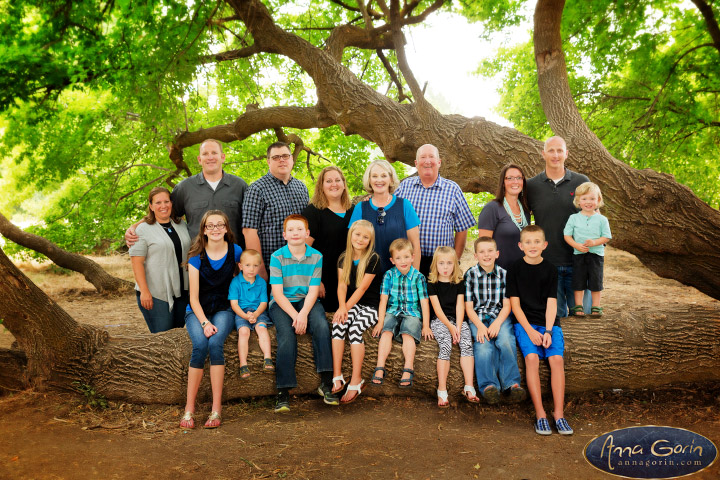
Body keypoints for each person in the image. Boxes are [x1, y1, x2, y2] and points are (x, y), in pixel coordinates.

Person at [506, 225, 572, 436]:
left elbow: (552, 303)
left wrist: (549, 331)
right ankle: (540, 414)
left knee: (556, 360)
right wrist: (531, 332)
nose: (532, 246)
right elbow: (515, 306)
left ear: (544, 245)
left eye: (537, 242)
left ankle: (559, 414)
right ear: (520, 245)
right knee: (532, 358)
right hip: (525, 323)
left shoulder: (550, 269)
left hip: (549, 323)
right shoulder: (514, 269)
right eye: (528, 242)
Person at [179, 210, 242, 430]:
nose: (215, 229)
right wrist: (205, 323)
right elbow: (193, 299)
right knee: (200, 345)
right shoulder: (196, 257)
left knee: (215, 344)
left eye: (220, 225)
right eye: (210, 226)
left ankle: (216, 409)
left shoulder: (236, 251)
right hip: (198, 311)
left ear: (226, 228)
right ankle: (189, 409)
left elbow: (240, 283)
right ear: (204, 230)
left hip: (224, 309)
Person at [269, 214, 337, 412]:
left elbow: (314, 290)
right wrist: (295, 316)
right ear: (284, 235)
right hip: (282, 303)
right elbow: (278, 294)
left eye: (299, 229)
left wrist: (304, 313)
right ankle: (283, 390)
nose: (295, 233)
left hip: (307, 300)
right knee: (286, 336)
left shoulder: (316, 256)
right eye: (290, 230)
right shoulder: (277, 257)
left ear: (307, 233)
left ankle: (326, 382)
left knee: (322, 327)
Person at [125, 139, 247, 246]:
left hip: (235, 260)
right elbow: (164, 213)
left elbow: (251, 223)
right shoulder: (185, 188)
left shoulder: (239, 186)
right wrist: (135, 226)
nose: (210, 157)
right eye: (205, 154)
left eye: (214, 153)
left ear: (223, 157)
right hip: (198, 261)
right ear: (200, 159)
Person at [527, 136, 590, 318]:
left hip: (578, 261)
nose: (556, 155)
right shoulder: (531, 186)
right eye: (551, 150)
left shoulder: (581, 181)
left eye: (560, 150)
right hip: (547, 264)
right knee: (556, 319)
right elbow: (520, 220)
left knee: (583, 317)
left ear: (566, 154)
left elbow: (595, 215)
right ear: (543, 154)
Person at [395, 144, 476, 276]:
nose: (427, 161)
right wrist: (371, 197)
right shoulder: (405, 186)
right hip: (409, 261)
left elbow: (462, 229)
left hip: (441, 263)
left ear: (439, 162)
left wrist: (455, 260)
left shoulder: (452, 189)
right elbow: (387, 205)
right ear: (416, 163)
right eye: (423, 157)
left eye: (431, 157)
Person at [464, 237, 525, 405]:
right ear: (475, 255)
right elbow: (469, 308)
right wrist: (480, 326)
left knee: (505, 341)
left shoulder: (505, 275)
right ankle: (488, 386)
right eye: (482, 252)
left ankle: (511, 384)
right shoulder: (470, 275)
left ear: (497, 253)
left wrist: (497, 323)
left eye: (490, 251)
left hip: (500, 316)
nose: (486, 255)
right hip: (477, 317)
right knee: (483, 346)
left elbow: (507, 305)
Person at [330, 220, 382, 404]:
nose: (360, 239)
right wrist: (342, 306)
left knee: (354, 330)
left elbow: (362, 289)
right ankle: (337, 375)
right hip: (352, 304)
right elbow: (342, 285)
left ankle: (356, 379)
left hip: (371, 306)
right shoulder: (344, 257)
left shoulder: (373, 259)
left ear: (370, 240)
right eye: (357, 234)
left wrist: (345, 307)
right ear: (350, 235)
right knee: (337, 324)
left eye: (365, 237)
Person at [243, 142, 309, 280]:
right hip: (271, 267)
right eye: (276, 157)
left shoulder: (301, 188)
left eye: (285, 156)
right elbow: (249, 231)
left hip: (300, 267)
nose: (282, 160)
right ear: (268, 161)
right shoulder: (257, 189)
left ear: (292, 159)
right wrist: (259, 268)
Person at [129, 187, 191, 333]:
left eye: (166, 201)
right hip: (156, 294)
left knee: (175, 337)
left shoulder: (181, 225)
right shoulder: (142, 230)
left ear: (172, 203)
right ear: (151, 206)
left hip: (182, 291)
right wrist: (144, 291)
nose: (163, 206)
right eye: (158, 202)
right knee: (163, 338)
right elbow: (136, 262)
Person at [371, 238, 430, 388]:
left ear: (412, 257)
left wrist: (426, 325)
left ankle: (408, 368)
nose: (403, 261)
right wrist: (380, 322)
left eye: (406, 257)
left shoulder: (419, 277)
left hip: (412, 312)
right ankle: (380, 367)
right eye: (398, 258)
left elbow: (424, 302)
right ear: (392, 260)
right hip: (392, 310)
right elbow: (383, 300)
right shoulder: (388, 276)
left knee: (407, 333)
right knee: (386, 332)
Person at [348, 159, 421, 273]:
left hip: (399, 278)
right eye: (375, 176)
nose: (379, 180)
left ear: (391, 179)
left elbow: (415, 245)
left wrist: (414, 278)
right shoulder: (360, 208)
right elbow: (352, 246)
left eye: (383, 176)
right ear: (369, 180)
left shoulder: (404, 205)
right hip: (367, 277)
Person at [427, 246, 477, 407]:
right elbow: (437, 309)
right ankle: (442, 390)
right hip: (440, 321)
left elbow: (460, 306)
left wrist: (459, 326)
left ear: (455, 264)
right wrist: (450, 327)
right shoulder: (432, 283)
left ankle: (469, 387)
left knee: (467, 344)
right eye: (441, 263)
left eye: (449, 263)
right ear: (436, 264)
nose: (446, 267)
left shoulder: (459, 282)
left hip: (458, 320)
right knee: (446, 346)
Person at [302, 166, 354, 312]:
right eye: (328, 181)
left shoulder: (354, 210)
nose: (334, 184)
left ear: (344, 184)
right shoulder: (313, 212)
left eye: (338, 180)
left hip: (349, 278)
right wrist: (316, 281)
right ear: (321, 186)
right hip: (323, 280)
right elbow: (304, 250)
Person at [563, 182, 612, 317]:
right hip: (579, 254)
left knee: (596, 281)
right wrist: (576, 245)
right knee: (579, 280)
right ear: (578, 201)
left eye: (592, 198)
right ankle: (578, 306)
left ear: (598, 200)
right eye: (584, 199)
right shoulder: (574, 218)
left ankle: (596, 306)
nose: (588, 202)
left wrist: (594, 242)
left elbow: (607, 236)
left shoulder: (602, 219)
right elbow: (567, 235)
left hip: (596, 255)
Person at [228, 249, 273, 379]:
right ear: (240, 266)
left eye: (255, 265)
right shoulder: (236, 282)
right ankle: (243, 364)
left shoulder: (261, 282)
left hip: (258, 311)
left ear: (259, 267)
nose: (251, 269)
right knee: (244, 332)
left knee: (261, 328)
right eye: (247, 265)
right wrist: (245, 316)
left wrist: (256, 314)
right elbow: (234, 304)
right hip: (241, 312)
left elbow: (264, 303)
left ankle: (267, 358)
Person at [477, 163, 531, 270]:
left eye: (518, 178)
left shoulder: (525, 210)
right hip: (499, 274)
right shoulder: (492, 208)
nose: (515, 181)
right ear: (503, 182)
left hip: (523, 273)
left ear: (523, 181)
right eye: (510, 178)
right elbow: (483, 247)